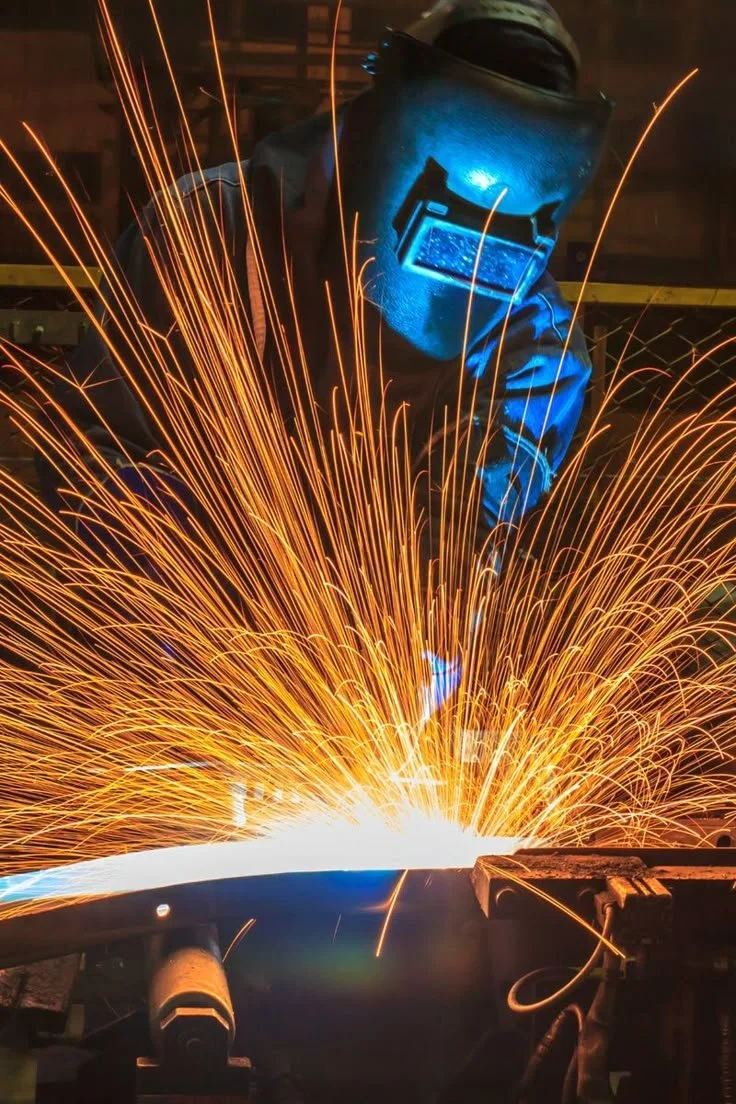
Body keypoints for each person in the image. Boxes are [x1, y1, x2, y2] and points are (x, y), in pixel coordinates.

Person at [37, 0, 611, 706]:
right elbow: (107, 462)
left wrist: (429, 628)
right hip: (183, 656)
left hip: (360, 671)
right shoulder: (209, 237)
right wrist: (179, 624)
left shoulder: (535, 341)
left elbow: (473, 504)